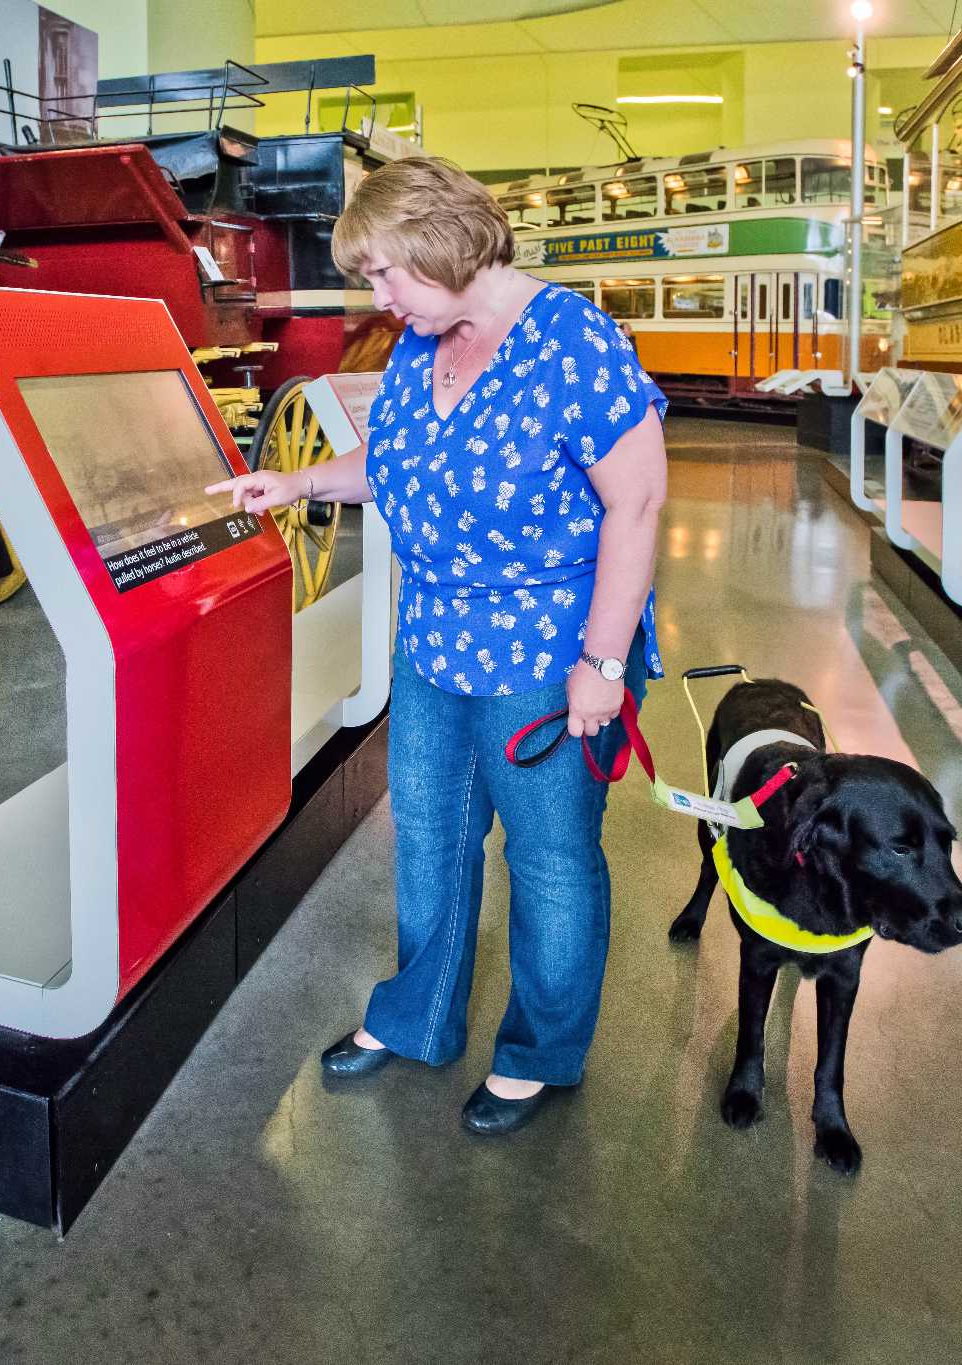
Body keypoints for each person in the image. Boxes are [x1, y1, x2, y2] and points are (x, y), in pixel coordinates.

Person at [206, 155, 669, 1136]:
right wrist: (294, 487)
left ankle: (538, 1053)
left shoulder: (571, 340)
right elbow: (391, 467)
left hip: (545, 653)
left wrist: (600, 663)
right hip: (433, 643)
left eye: (383, 272)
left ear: (442, 245)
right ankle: (415, 1017)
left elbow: (635, 505)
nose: (375, 294)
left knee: (548, 860)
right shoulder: (423, 342)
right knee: (428, 840)